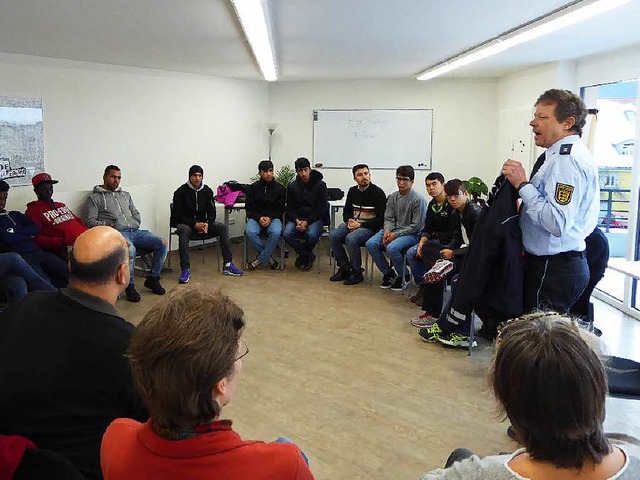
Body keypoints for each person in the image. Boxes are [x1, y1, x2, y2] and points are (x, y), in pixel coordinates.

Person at [100, 285, 315, 480]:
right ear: (219, 384)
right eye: (239, 354)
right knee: (288, 445)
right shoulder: (284, 465)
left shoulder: (116, 439)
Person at [0, 227, 148, 480]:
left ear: (69, 265)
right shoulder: (129, 344)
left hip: (12, 461)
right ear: (123, 274)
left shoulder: (25, 305)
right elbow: (151, 424)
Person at [420, 312, 640, 479]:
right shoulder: (632, 452)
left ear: (507, 403)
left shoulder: (476, 473)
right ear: (599, 387)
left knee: (460, 454)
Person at [502, 89, 599, 313]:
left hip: (553, 268)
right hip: (554, 264)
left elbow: (556, 223)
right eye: (535, 115)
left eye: (542, 117)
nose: (532, 123)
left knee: (540, 343)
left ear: (568, 123)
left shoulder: (567, 160)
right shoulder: (558, 155)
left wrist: (523, 185)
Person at [85, 165, 168, 302]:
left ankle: (153, 278)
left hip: (135, 231)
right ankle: (130, 286)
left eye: (118, 177)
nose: (116, 180)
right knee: (130, 250)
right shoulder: (95, 198)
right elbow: (90, 221)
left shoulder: (125, 195)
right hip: (117, 233)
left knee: (162, 242)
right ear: (105, 177)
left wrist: (135, 221)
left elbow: (135, 213)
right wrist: (110, 225)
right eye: (113, 177)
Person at [417, 180, 483, 347]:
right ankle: (433, 313)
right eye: (449, 197)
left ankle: (455, 329)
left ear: (466, 194)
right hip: (465, 253)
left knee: (456, 282)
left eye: (456, 195)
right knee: (436, 268)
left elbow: (479, 246)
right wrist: (449, 251)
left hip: (477, 259)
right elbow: (456, 236)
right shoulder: (456, 213)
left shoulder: (475, 213)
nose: (452, 199)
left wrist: (454, 253)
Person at [171, 164, 243, 282]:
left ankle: (228, 264)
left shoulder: (207, 191)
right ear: (190, 176)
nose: (197, 178)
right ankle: (185, 269)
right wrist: (194, 224)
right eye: (195, 175)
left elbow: (212, 212)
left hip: (203, 224)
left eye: (200, 175)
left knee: (222, 228)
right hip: (187, 224)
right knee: (183, 231)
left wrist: (207, 223)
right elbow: (178, 215)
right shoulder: (180, 192)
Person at [366, 165, 426, 290]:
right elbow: (388, 218)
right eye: (398, 179)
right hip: (392, 229)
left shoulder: (418, 199)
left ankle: (404, 276)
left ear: (412, 181)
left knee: (392, 248)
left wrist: (395, 235)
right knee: (371, 244)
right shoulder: (393, 197)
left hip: (411, 234)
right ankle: (388, 273)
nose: (401, 182)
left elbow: (416, 226)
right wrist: (387, 231)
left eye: (404, 179)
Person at [406, 172, 455, 323]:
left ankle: (431, 301)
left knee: (432, 259)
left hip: (447, 245)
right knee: (413, 252)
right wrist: (421, 242)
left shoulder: (451, 205)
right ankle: (424, 286)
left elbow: (454, 233)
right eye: (428, 185)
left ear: (443, 185)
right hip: (431, 242)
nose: (431, 188)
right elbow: (426, 228)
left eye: (434, 184)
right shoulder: (432, 205)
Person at [0, 179, 68, 288]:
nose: (2, 202)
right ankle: (56, 299)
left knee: (67, 270)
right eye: (0, 199)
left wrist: (14, 231)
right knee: (43, 281)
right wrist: (24, 232)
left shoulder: (15, 214)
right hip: (21, 257)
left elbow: (36, 228)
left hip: (38, 251)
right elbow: (7, 239)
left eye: (5, 198)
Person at [329, 164, 386, 285]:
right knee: (334, 235)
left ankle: (357, 272)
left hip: (370, 228)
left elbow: (381, 219)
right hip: (353, 224)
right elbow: (347, 211)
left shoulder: (378, 193)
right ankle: (345, 268)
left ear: (370, 175)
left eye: (366, 174)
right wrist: (349, 221)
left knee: (351, 238)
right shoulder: (352, 191)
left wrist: (360, 225)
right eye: (360, 175)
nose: (364, 177)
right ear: (355, 178)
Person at [25, 172, 88, 260]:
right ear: (36, 191)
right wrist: (59, 242)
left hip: (85, 239)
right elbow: (36, 238)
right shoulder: (33, 211)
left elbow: (77, 220)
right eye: (44, 189)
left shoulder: (60, 205)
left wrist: (88, 232)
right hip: (68, 247)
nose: (49, 192)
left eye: (51, 188)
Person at [283, 157, 328, 271]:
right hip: (297, 219)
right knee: (287, 233)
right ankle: (308, 255)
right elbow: (289, 208)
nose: (303, 173)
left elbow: (321, 208)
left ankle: (303, 255)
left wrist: (307, 221)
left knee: (312, 235)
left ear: (310, 169)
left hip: (314, 219)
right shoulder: (292, 186)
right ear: (296, 171)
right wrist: (297, 220)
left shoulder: (320, 185)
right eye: (300, 171)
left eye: (305, 170)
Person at [244, 160, 286, 271]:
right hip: (256, 218)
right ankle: (269, 259)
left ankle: (259, 260)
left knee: (276, 232)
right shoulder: (252, 188)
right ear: (260, 173)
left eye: (271, 171)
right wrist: (259, 217)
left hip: (274, 218)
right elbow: (249, 207)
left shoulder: (280, 189)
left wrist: (270, 218)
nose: (269, 174)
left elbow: (280, 209)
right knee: (250, 232)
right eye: (265, 171)